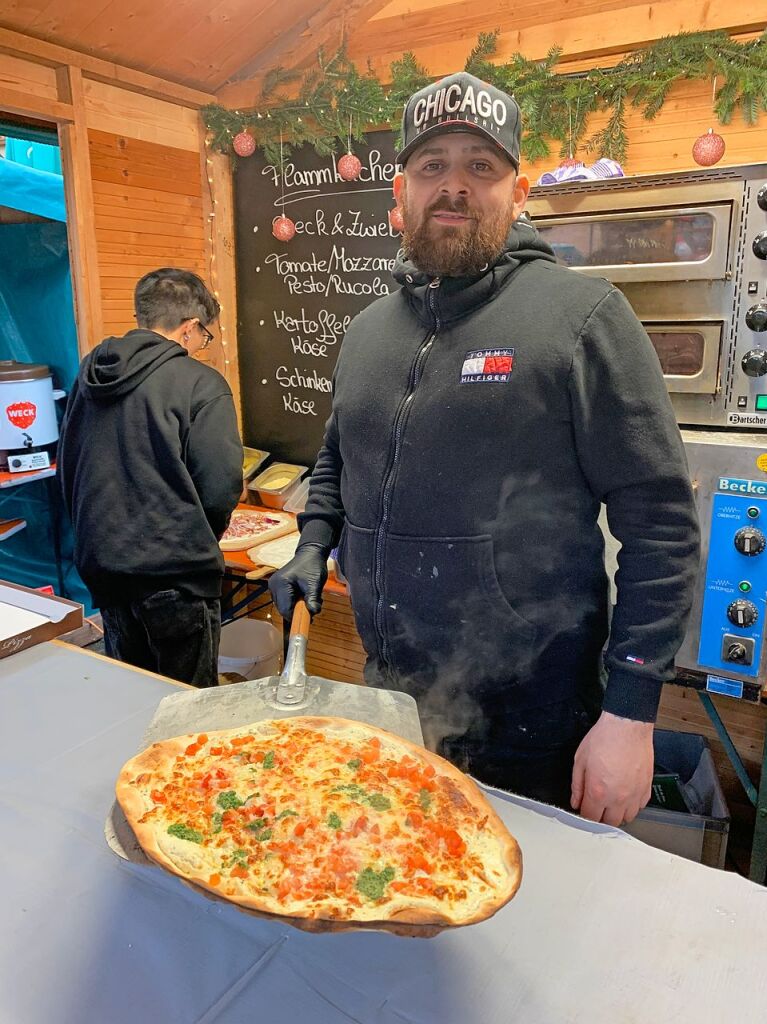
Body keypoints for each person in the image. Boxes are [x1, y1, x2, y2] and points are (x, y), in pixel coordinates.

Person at [269, 72, 700, 825]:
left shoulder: (583, 317)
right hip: (390, 694)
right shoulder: (366, 332)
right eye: (433, 167)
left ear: (519, 189)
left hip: (534, 718)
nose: (454, 187)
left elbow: (660, 527)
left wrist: (630, 715)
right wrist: (313, 541)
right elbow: (341, 453)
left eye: (481, 167)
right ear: (398, 192)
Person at [59, 268, 242, 686]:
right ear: (190, 328)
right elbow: (219, 486)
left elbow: (69, 465)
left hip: (105, 568)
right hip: (175, 576)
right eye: (205, 338)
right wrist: (197, 542)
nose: (200, 348)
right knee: (188, 706)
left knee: (133, 695)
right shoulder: (200, 384)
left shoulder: (90, 374)